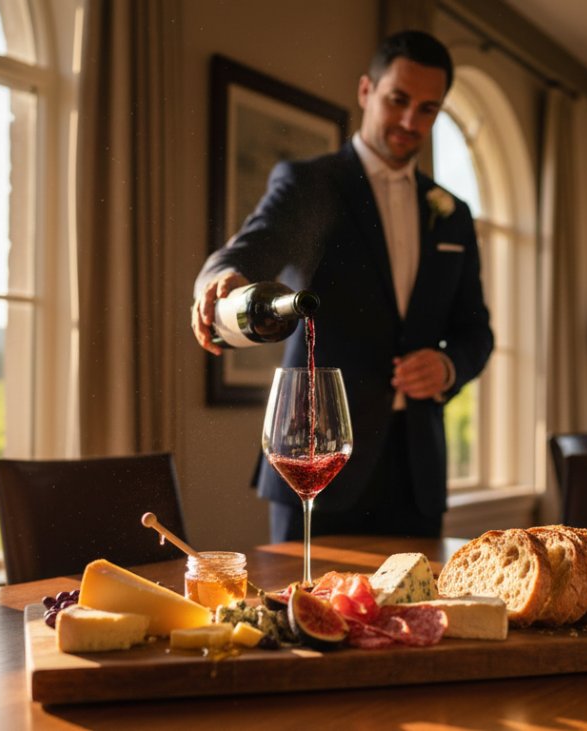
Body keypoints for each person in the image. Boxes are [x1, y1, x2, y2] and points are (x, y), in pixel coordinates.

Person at [191, 30, 493, 542]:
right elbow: (252, 247)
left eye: (427, 109)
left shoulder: (453, 214)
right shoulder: (313, 184)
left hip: (417, 473)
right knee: (302, 615)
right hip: (318, 464)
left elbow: (476, 332)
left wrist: (447, 366)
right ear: (366, 92)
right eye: (398, 100)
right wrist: (220, 276)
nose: (408, 121)